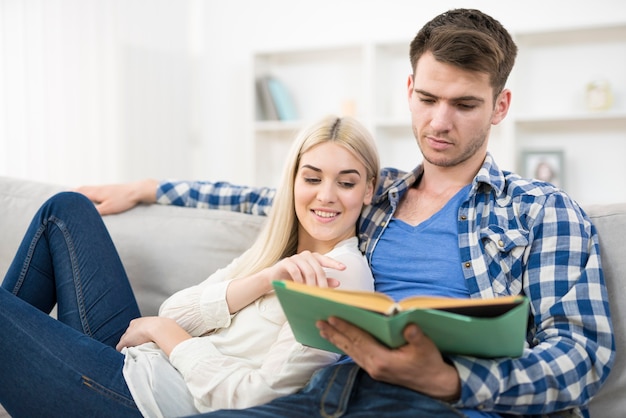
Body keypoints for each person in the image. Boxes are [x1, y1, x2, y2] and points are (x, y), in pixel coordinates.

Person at [77, 8, 615, 418]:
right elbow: (272, 195)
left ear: (500, 105)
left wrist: (452, 380)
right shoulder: (374, 197)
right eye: (427, 99)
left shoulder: (540, 211)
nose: (440, 121)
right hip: (330, 393)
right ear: (408, 90)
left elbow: (582, 353)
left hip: (445, 402)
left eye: (464, 104)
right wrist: (150, 187)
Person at [0, 115, 380, 418]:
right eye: (312, 178)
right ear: (293, 180)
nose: (325, 196)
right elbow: (174, 311)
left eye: (346, 183)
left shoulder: (337, 276)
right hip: (134, 362)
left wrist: (165, 334)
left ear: (368, 189)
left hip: (144, 401)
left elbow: (255, 398)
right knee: (65, 211)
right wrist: (265, 279)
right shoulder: (274, 254)